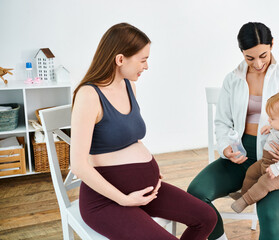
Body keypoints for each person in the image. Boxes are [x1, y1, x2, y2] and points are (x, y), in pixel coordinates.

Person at [71, 23, 217, 240]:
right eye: (142, 59)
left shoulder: (129, 86)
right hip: (106, 201)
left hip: (145, 191)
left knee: (207, 217)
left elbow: (128, 137)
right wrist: (124, 199)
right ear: (120, 59)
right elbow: (79, 166)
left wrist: (147, 170)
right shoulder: (89, 95)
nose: (147, 66)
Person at [187, 22, 279, 240]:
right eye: (250, 58)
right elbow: (222, 122)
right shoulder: (233, 79)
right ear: (242, 53)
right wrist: (225, 147)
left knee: (269, 217)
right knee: (196, 193)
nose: (258, 64)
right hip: (241, 158)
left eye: (263, 55)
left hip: (276, 163)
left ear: (272, 45)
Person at [231, 89, 279, 213]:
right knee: (251, 172)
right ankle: (243, 194)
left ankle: (245, 201)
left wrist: (277, 169)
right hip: (267, 161)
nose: (269, 120)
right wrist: (271, 126)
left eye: (272, 119)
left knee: (265, 182)